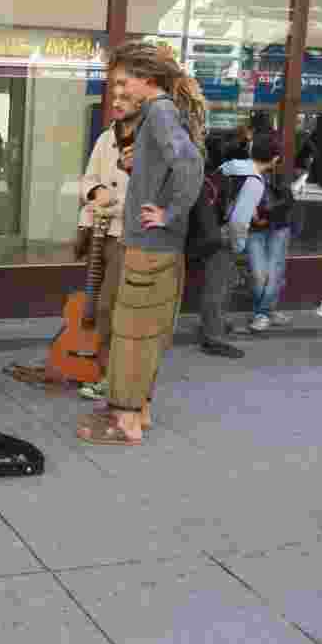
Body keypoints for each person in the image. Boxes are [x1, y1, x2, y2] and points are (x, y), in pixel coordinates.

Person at [77, 41, 204, 446]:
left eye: (122, 82)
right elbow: (175, 165)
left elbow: (189, 164)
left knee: (132, 336)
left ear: (146, 79)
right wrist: (143, 170)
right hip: (154, 245)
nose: (118, 91)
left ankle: (126, 422)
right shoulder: (160, 113)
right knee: (142, 335)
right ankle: (138, 412)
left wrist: (169, 212)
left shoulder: (160, 111)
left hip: (150, 246)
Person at [76, 100, 139, 401]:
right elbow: (88, 178)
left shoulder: (148, 143)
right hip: (98, 231)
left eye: (125, 96)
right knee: (94, 304)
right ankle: (101, 368)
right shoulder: (105, 138)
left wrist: (113, 205)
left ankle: (110, 376)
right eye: (116, 95)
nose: (117, 102)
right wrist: (96, 191)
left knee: (109, 306)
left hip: (125, 235)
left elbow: (151, 195)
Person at [198, 133, 281, 357]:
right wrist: (238, 244)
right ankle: (213, 338)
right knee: (219, 286)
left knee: (215, 282)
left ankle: (214, 326)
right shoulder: (254, 181)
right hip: (223, 235)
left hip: (208, 227)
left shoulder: (230, 166)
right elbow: (238, 221)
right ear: (274, 159)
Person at [245, 133, 295, 333]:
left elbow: (286, 201)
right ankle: (266, 312)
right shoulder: (244, 174)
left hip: (277, 227)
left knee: (274, 272)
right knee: (260, 273)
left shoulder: (278, 174)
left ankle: (263, 313)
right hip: (255, 229)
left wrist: (265, 215)